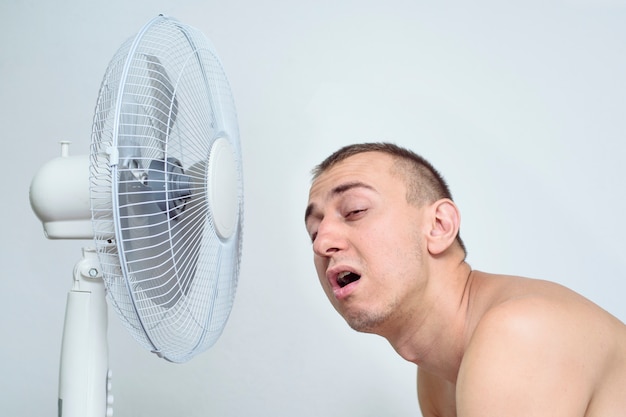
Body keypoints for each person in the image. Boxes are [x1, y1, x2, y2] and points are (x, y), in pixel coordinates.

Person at [304, 142, 626, 416]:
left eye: (355, 210)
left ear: (440, 226)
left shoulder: (519, 333)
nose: (322, 244)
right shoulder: (436, 377)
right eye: (314, 232)